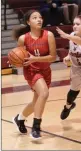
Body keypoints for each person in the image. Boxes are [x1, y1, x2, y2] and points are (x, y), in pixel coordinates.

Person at [12, 9, 56, 139]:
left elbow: (53, 57)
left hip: (45, 70)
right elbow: (18, 58)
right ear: (28, 22)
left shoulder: (49, 35)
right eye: (35, 17)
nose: (39, 19)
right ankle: (36, 127)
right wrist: (17, 61)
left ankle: (20, 118)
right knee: (44, 93)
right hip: (32, 71)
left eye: (40, 17)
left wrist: (35, 58)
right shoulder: (23, 39)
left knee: (37, 101)